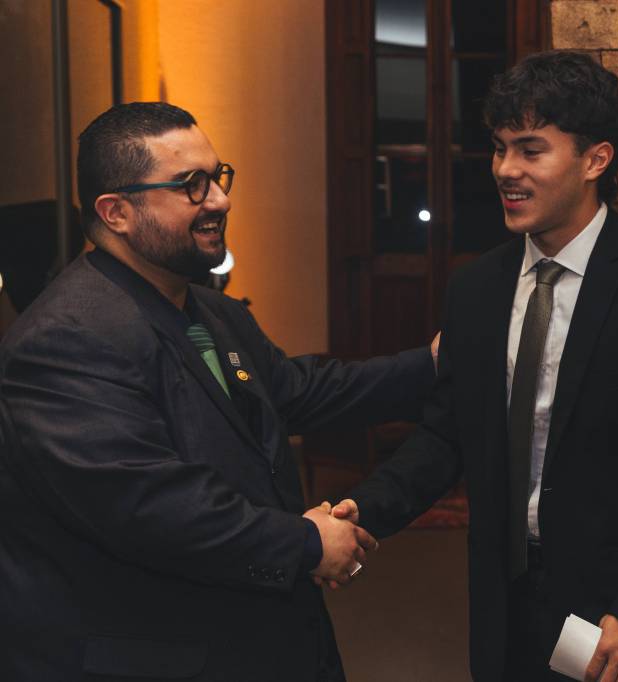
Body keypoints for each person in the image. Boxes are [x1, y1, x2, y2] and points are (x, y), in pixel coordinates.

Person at [333, 51, 618, 682]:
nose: (506, 169)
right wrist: (360, 513)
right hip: (505, 610)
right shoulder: (476, 288)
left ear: (595, 160)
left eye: (531, 150)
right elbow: (446, 436)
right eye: (500, 148)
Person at [0, 102, 436, 682]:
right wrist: (307, 544)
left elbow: (299, 391)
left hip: (264, 641)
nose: (220, 201)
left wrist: (435, 365)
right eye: (191, 185)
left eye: (217, 176)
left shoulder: (212, 311)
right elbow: (150, 506)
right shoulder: (64, 339)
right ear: (117, 212)